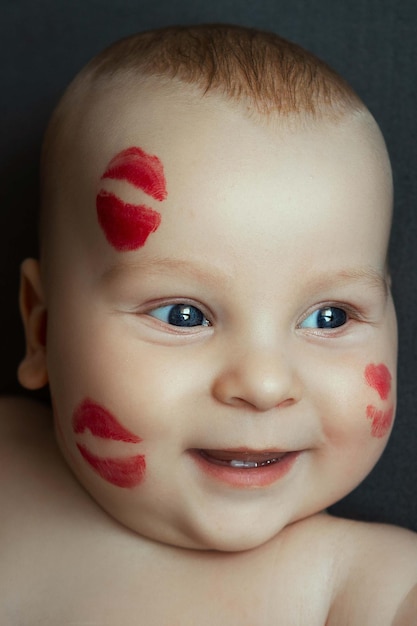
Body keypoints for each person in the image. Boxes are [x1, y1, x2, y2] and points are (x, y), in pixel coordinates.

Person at [1, 23, 416, 624]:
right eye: (184, 315)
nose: (266, 384)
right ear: (41, 329)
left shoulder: (359, 585)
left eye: (330, 316)